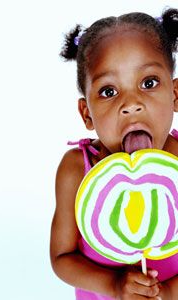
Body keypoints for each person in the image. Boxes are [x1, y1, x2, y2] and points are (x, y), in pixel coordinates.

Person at [50, 8, 178, 300]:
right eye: (109, 91)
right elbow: (62, 258)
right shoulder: (76, 171)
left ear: (175, 95)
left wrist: (169, 292)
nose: (131, 104)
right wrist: (114, 286)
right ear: (87, 114)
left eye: (148, 83)